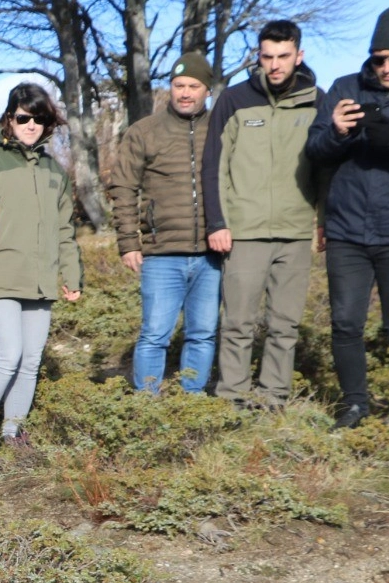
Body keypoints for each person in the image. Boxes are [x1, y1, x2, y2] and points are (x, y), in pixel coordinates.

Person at [0, 83, 81, 467]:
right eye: (23, 118)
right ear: (9, 119)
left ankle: (13, 432)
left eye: (39, 119)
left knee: (30, 360)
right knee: (8, 356)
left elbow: (65, 230)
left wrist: (71, 275)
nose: (31, 125)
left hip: (39, 280)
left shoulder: (54, 171)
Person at [202, 20, 323, 411]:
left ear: (298, 55)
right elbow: (213, 166)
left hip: (295, 229)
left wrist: (323, 221)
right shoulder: (233, 99)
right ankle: (232, 396)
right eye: (267, 56)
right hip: (245, 231)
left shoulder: (317, 100)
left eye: (283, 56)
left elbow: (327, 166)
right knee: (237, 322)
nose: (275, 65)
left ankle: (274, 396)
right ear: (259, 56)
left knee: (284, 325)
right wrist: (217, 223)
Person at [109, 52, 220, 395]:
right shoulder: (144, 131)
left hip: (211, 253)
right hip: (161, 253)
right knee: (155, 333)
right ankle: (146, 404)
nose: (185, 92)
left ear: (207, 90)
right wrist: (129, 242)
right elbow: (123, 187)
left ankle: (192, 403)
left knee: (202, 333)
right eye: (178, 85)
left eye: (193, 86)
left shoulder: (221, 128)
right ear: (169, 88)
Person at [304, 9, 389, 430]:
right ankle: (355, 405)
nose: (386, 67)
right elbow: (315, 151)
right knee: (346, 323)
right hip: (347, 232)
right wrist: (337, 130)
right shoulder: (343, 89)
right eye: (379, 58)